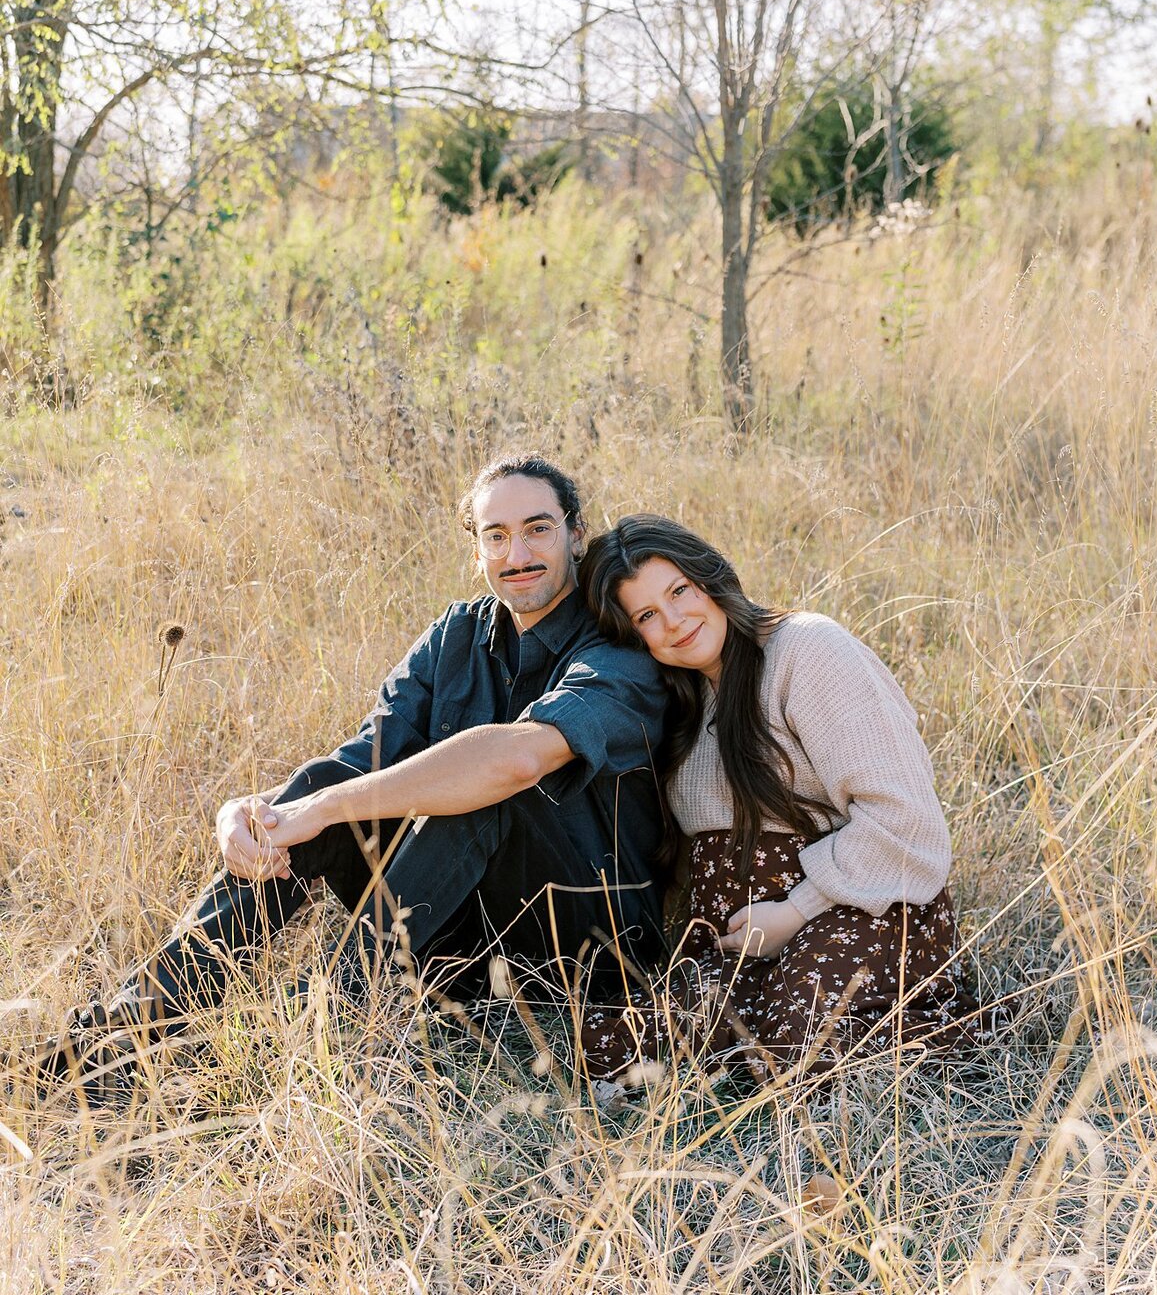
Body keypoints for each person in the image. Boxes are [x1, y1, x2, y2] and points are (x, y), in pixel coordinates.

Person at [33, 456, 668, 1097]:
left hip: (590, 938)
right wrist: (258, 810)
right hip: (467, 938)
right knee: (322, 797)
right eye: (495, 536)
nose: (517, 553)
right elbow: (363, 757)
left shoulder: (618, 646)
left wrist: (329, 804)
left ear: (576, 534)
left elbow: (516, 761)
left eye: (538, 529)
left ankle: (322, 1033)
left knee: (486, 791)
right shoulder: (456, 636)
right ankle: (117, 1035)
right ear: (476, 551)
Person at [576, 515, 973, 1081]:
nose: (674, 621)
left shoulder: (806, 651)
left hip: (857, 912)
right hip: (742, 942)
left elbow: (906, 821)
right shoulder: (682, 703)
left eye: (679, 591)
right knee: (610, 1047)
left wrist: (794, 912)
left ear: (708, 577)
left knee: (792, 1043)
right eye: (646, 616)